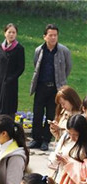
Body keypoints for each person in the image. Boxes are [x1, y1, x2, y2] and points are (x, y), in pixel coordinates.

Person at [30, 24, 73, 152]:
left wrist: (60, 80)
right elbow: (35, 64)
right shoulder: (39, 50)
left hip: (55, 88)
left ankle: (45, 140)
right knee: (37, 113)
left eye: (55, 35)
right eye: (50, 35)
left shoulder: (64, 51)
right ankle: (36, 138)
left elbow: (68, 67)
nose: (53, 38)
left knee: (51, 114)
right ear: (45, 37)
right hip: (41, 86)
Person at [0, 23, 25, 117]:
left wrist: (11, 78)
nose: (11, 34)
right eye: (9, 32)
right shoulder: (0, 48)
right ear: (5, 33)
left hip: (10, 83)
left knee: (8, 106)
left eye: (13, 32)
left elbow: (21, 68)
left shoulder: (19, 49)